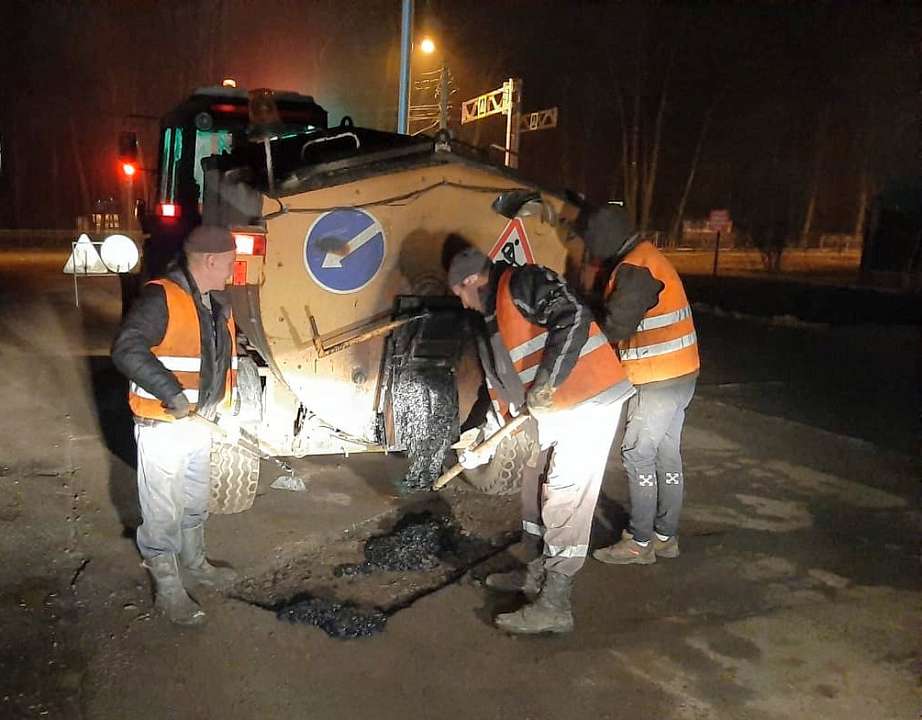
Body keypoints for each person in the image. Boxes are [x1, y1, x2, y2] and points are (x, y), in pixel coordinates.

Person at [448, 247, 634, 634]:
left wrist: (548, 381)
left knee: (565, 498)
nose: (461, 302)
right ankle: (534, 573)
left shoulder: (524, 282)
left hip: (587, 402)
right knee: (533, 488)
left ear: (471, 280)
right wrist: (480, 435)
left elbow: (574, 316)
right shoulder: (490, 321)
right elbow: (500, 386)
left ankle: (555, 604)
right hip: (553, 413)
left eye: (459, 292)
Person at [112, 225, 240, 625]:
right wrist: (171, 392)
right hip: (164, 425)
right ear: (211, 260)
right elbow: (127, 349)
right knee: (163, 510)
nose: (233, 270)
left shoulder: (215, 304)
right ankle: (168, 588)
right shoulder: (161, 297)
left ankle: (196, 563)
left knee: (194, 499)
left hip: (200, 424)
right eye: (230, 262)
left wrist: (224, 407)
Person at [579, 206, 700, 566]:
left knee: (637, 454)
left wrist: (584, 318)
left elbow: (616, 327)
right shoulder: (647, 257)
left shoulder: (634, 268)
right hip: (681, 373)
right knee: (665, 454)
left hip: (657, 377)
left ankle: (639, 542)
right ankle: (665, 537)